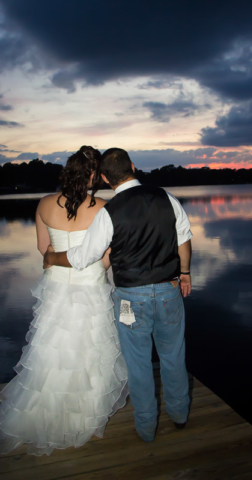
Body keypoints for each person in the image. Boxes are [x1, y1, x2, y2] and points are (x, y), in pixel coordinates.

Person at [44, 148, 192, 443]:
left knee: (137, 363)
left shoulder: (109, 212)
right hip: (168, 291)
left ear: (103, 178)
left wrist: (52, 258)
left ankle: (147, 428)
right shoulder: (166, 198)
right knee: (173, 357)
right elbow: (184, 238)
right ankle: (179, 415)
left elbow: (83, 257)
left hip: (129, 299)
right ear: (133, 167)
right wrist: (185, 273)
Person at [0, 146, 128, 456]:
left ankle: (48, 407)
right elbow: (107, 256)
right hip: (92, 285)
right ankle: (88, 415)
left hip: (56, 286)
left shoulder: (43, 204)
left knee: (52, 347)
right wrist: (95, 272)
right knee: (92, 348)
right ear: (95, 176)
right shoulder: (102, 208)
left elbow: (44, 250)